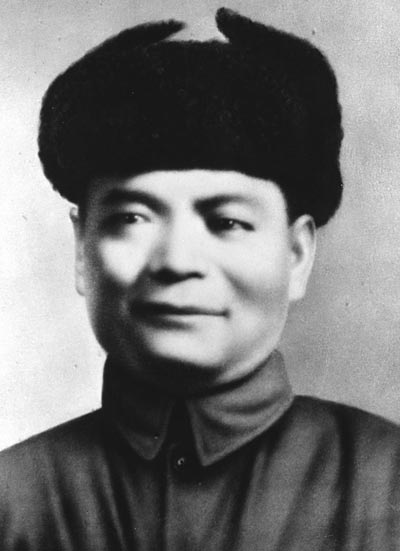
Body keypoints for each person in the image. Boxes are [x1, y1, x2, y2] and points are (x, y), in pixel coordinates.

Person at [1, 7, 400, 550]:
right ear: (81, 249)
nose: (177, 260)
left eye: (227, 222)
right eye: (130, 218)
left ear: (296, 254)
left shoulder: (385, 484)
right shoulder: (12, 501)